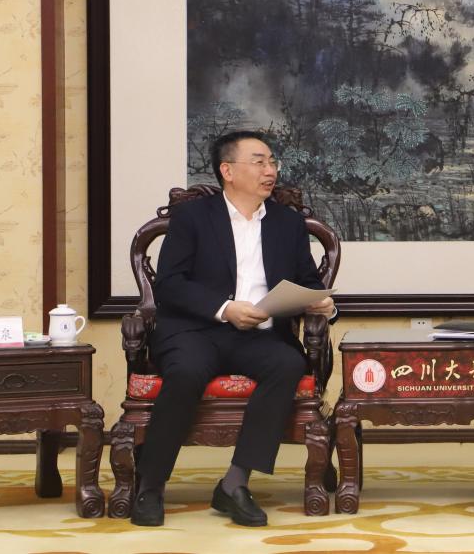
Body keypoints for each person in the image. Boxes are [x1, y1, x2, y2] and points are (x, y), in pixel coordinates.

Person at [131, 130, 336, 528]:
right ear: (227, 170)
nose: (270, 170)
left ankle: (235, 482)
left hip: (259, 336)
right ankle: (150, 485)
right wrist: (225, 309)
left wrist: (323, 303)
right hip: (195, 331)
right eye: (259, 162)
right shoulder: (193, 218)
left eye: (272, 162)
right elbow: (170, 284)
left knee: (287, 364)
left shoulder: (287, 223)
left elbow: (309, 282)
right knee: (186, 371)